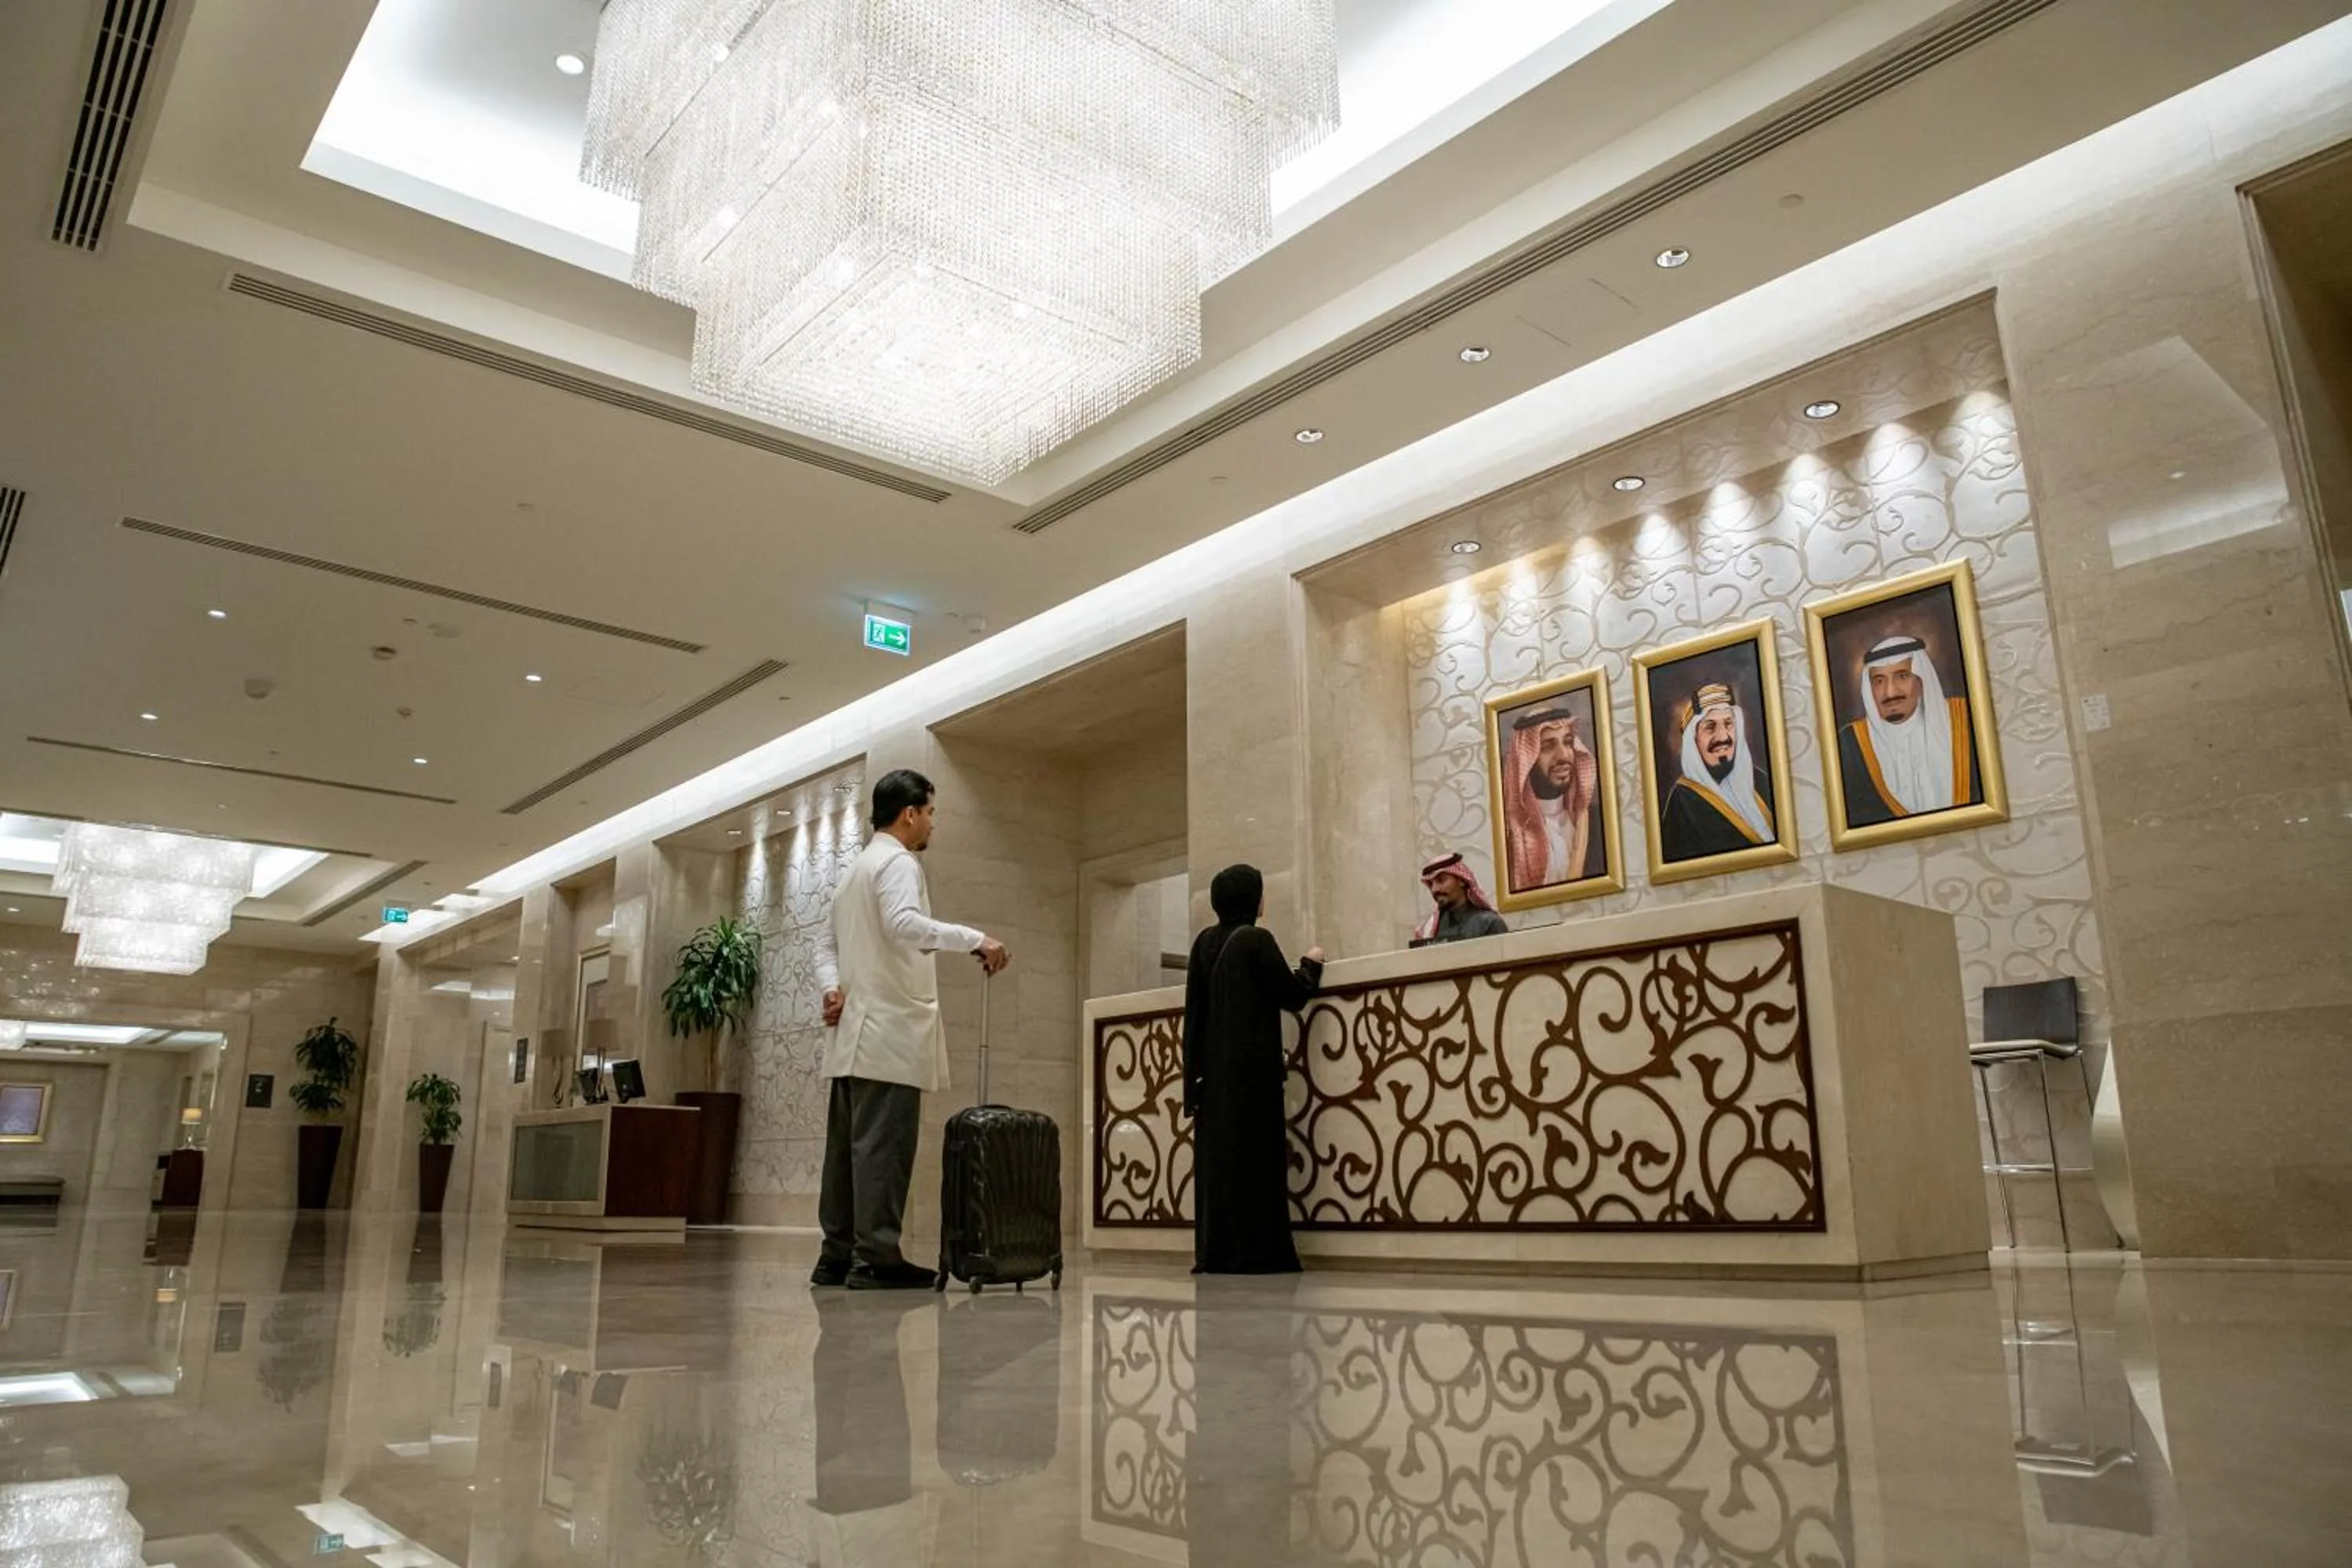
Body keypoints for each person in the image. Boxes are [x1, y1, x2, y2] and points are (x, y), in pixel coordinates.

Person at [813, 768, 1009, 1290]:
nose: (933, 824)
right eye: (931, 812)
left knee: (845, 1153)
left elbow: (824, 946)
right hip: (888, 1031)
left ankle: (835, 1256)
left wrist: (831, 988)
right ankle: (876, 1256)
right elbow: (903, 923)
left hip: (854, 1032)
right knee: (882, 1149)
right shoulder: (898, 863)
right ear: (909, 814)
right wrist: (974, 938)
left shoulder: (855, 870)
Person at [1181, 864, 1323, 1276]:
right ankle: (1258, 1255)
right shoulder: (1256, 940)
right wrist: (1312, 963)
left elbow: (1194, 1014)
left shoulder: (1203, 943)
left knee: (1220, 1168)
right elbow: (1292, 994)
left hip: (1210, 1082)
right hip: (1251, 1080)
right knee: (1255, 1165)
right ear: (1253, 899)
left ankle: (1216, 1254)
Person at [1835, 634, 1976, 825]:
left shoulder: (1964, 720)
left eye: (1902, 676)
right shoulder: (1849, 743)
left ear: (1921, 681)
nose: (1890, 692)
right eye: (1879, 681)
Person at [1658, 681, 1778, 861]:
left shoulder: (1759, 780)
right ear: (1694, 740)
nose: (1723, 737)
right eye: (1710, 727)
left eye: (1729, 724)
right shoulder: (1683, 801)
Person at [1501, 703, 1604, 891]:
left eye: (1568, 742)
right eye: (1548, 747)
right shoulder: (1508, 836)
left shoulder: (1598, 823)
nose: (1564, 756)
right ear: (1526, 761)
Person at [1412, 852, 1508, 945]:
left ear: (1462, 881)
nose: (1434, 889)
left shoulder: (1489, 923)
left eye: (1441, 880)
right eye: (1431, 884)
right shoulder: (1429, 929)